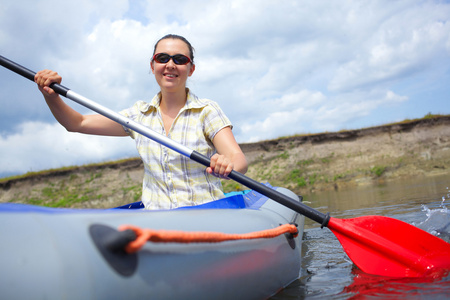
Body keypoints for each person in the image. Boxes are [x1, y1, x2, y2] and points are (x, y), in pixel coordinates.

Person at [34, 34, 248, 209]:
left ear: (191, 68)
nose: (170, 64)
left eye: (180, 59)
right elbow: (77, 123)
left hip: (206, 215)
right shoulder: (138, 117)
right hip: (157, 222)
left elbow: (238, 159)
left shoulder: (207, 111)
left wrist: (227, 165)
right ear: (153, 65)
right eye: (162, 58)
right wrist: (50, 95)